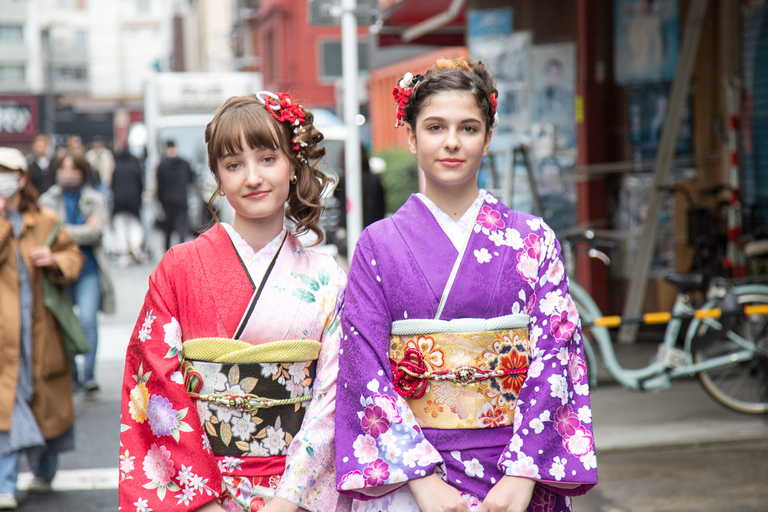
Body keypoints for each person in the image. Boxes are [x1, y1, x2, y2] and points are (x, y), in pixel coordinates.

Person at [335, 58, 598, 512]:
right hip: (415, 480)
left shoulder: (532, 239)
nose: (452, 142)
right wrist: (420, 479)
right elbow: (365, 366)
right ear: (412, 137)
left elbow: (557, 356)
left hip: (517, 472)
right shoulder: (377, 245)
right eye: (435, 127)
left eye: (469, 128)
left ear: (488, 137)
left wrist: (521, 474)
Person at [118, 92, 352, 512]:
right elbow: (154, 381)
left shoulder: (326, 276)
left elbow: (334, 394)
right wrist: (202, 501)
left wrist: (290, 498)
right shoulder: (179, 268)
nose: (252, 178)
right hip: (202, 490)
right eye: (233, 165)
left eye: (267, 158)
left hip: (295, 492)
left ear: (293, 166)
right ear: (218, 177)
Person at [0, 147, 84, 509]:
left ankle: (44, 469)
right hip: (4, 336)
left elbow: (73, 256)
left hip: (41, 330)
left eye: (6, 172)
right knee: (8, 402)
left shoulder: (46, 219)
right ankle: (4, 482)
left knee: (46, 400)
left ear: (21, 178)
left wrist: (55, 260)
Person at [40, 152, 115, 393]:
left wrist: (63, 231)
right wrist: (83, 229)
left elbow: (97, 232)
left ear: (83, 173)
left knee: (87, 321)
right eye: (64, 170)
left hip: (88, 270)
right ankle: (71, 375)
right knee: (63, 322)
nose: (68, 175)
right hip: (59, 270)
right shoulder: (47, 200)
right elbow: (48, 236)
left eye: (74, 170)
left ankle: (89, 376)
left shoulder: (96, 199)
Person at [110, 145, 146, 266]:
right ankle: (135, 246)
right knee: (134, 225)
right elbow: (140, 185)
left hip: (119, 201)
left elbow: (112, 185)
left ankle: (124, 253)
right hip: (133, 200)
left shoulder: (116, 168)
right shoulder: (135, 167)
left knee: (120, 226)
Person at [156, 140, 194, 250]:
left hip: (167, 201)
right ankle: (181, 250)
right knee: (181, 228)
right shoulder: (185, 164)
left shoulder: (162, 166)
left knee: (167, 229)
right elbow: (191, 181)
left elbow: (160, 186)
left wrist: (159, 201)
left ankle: (167, 252)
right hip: (182, 200)